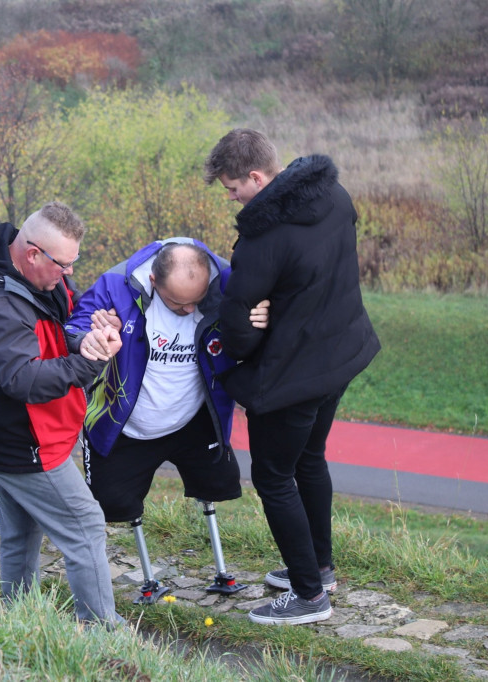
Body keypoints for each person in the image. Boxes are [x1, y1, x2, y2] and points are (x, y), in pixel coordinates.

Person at [204, 128, 381, 626]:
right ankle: (319, 569)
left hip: (292, 375)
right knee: (308, 459)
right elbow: (318, 275)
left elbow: (238, 322)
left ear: (257, 177)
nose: (232, 198)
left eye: (233, 188)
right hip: (341, 354)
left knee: (273, 475)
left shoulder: (263, 239)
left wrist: (253, 330)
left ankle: (307, 595)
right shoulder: (334, 195)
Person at [66, 239, 267, 603]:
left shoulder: (226, 280)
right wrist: (91, 336)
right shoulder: (117, 285)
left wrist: (263, 315)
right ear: (154, 280)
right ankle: (147, 579)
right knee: (112, 504)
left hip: (192, 417)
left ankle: (222, 571)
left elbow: (267, 309)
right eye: (178, 302)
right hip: (125, 420)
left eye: (197, 299)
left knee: (220, 484)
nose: (190, 308)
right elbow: (75, 325)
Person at [0, 201, 124, 627]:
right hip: (21, 440)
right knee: (85, 527)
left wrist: (88, 335)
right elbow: (22, 380)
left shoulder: (33, 277)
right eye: (63, 265)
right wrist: (90, 362)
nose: (68, 274)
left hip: (30, 431)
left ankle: (18, 623)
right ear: (33, 254)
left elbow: (58, 325)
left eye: (73, 263)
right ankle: (105, 637)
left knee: (21, 533)